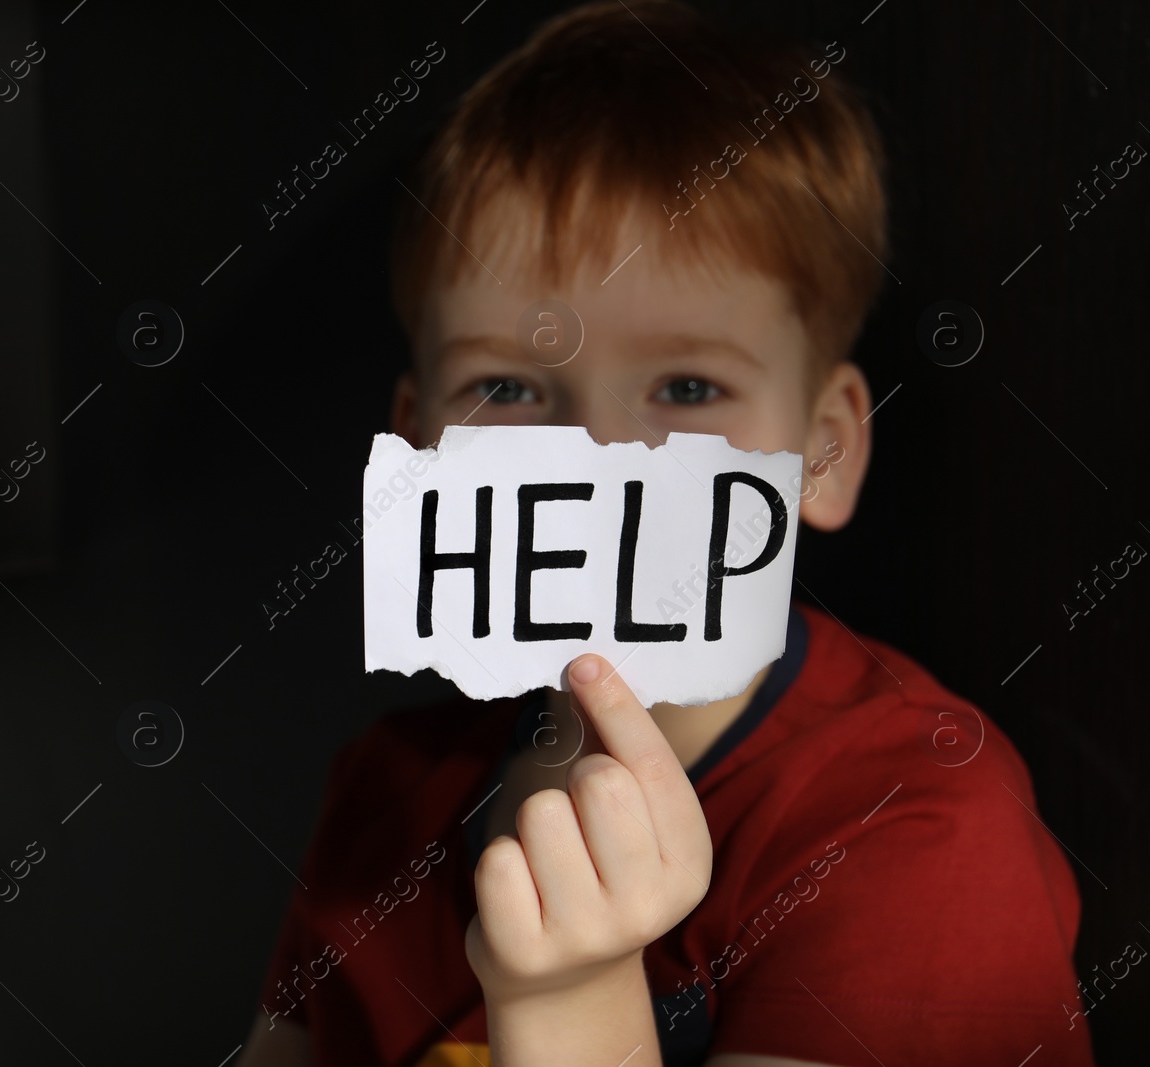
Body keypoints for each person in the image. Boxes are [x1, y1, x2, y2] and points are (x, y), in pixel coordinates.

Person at [237, 2, 1094, 1064]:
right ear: (418, 453)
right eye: (505, 386)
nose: (598, 454)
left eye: (687, 385)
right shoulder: (384, 793)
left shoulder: (912, 827)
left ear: (821, 450)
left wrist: (574, 995)